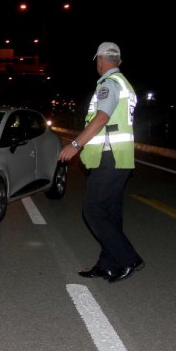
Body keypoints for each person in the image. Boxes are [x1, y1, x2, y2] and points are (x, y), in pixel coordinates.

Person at [58, 42, 144, 283]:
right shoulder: (124, 84)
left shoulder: (109, 84)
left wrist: (75, 145)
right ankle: (108, 264)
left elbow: (102, 117)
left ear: (100, 60)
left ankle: (128, 258)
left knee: (93, 211)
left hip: (111, 156)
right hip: (121, 157)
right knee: (110, 213)